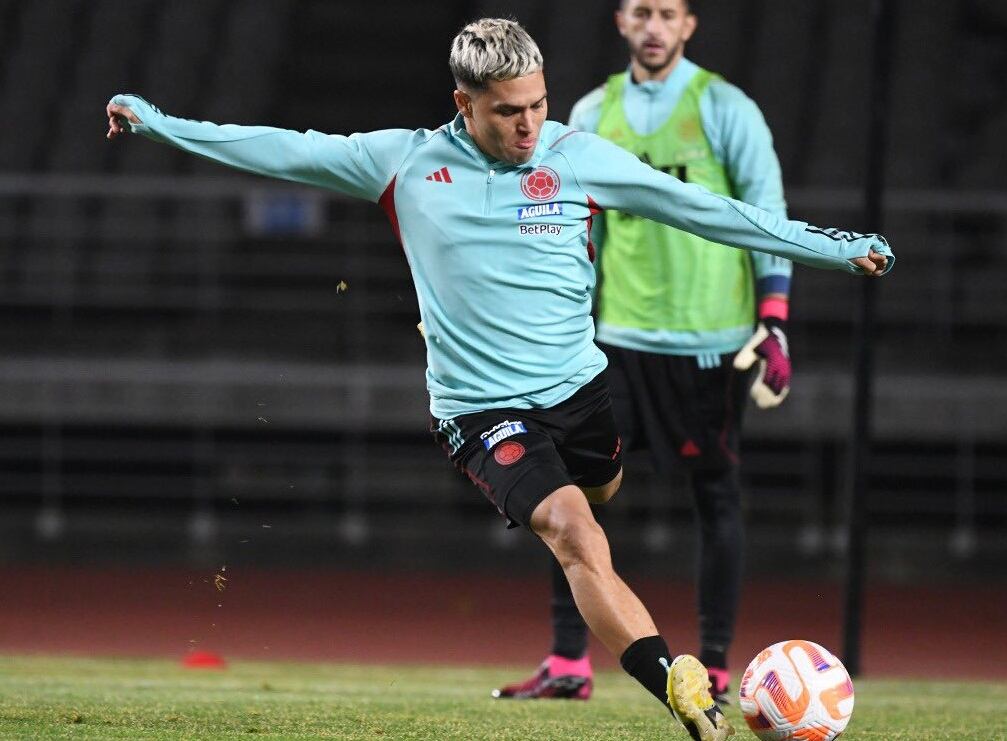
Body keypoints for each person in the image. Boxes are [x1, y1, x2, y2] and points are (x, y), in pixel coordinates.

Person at [106, 17, 891, 740]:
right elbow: (280, 146)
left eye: (538, 105)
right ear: (464, 102)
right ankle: (675, 683)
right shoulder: (404, 163)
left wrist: (830, 248)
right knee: (574, 533)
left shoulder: (575, 155)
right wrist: (159, 121)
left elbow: (703, 209)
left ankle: (605, 583)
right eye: (509, 110)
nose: (528, 125)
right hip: (480, 412)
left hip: (584, 395)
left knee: (599, 500)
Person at [495, 0, 790, 705]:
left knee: (714, 496)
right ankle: (568, 660)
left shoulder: (725, 108)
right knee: (568, 489)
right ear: (620, 23)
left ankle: (714, 662)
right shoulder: (593, 112)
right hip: (614, 341)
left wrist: (773, 318)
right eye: (639, 12)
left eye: (666, 13)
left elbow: (764, 212)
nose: (653, 26)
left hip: (709, 343)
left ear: (688, 24)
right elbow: (558, 220)